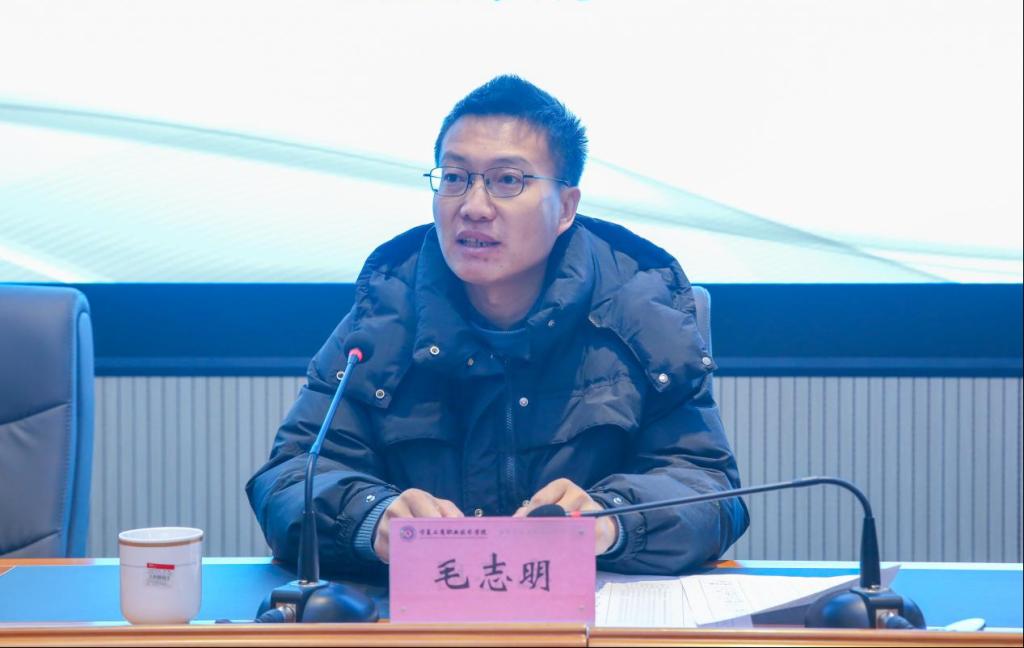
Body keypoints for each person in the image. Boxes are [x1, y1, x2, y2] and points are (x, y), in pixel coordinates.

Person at [246, 75, 748, 578]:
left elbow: (709, 488)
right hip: (419, 608)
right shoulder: (384, 313)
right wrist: (371, 517)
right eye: (454, 178)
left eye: (507, 180)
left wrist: (611, 520)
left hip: (591, 609)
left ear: (566, 208)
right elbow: (289, 477)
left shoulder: (641, 313)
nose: (473, 207)